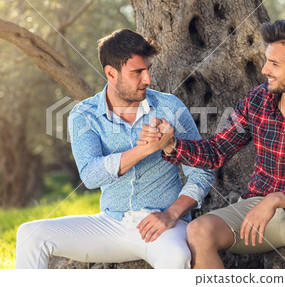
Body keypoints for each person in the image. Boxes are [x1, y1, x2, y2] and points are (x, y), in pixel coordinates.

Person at [140, 19, 285, 269]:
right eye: (267, 60)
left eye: (274, 63)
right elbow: (215, 152)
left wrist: (277, 199)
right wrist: (170, 145)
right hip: (255, 212)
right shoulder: (258, 99)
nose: (265, 69)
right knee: (199, 230)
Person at [15, 29, 214, 269]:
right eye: (138, 72)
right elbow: (90, 175)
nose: (148, 79)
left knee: (176, 256)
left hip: (163, 225)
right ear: (111, 73)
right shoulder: (84, 114)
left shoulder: (170, 106)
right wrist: (145, 149)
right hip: (110, 224)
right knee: (30, 234)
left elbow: (202, 172)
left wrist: (171, 214)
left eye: (148, 69)